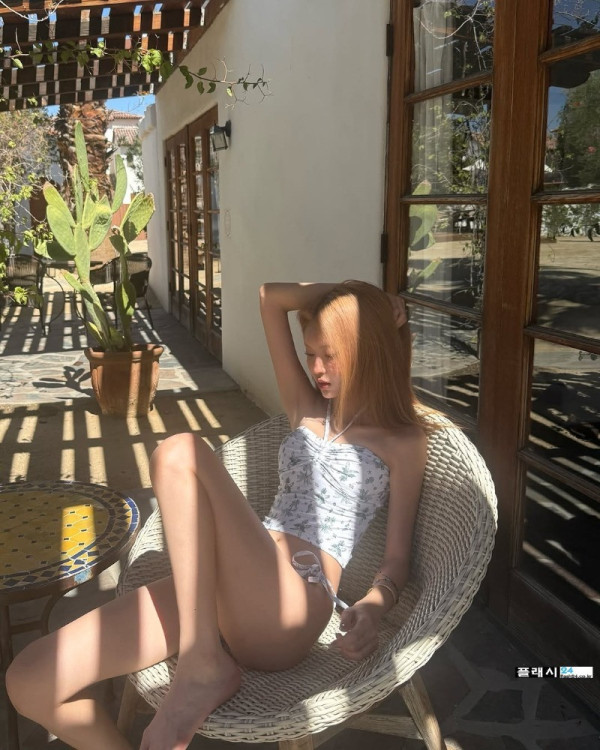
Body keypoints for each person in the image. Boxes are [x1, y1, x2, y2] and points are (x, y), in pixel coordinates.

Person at [6, 281, 429, 750]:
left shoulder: (403, 441)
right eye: (311, 354)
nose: (315, 368)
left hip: (293, 605)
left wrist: (373, 605)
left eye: (329, 355)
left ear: (366, 349)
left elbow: (396, 559)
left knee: (178, 452)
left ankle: (202, 664)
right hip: (223, 590)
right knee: (30, 679)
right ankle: (202, 655)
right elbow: (270, 297)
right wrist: (360, 297)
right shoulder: (309, 408)